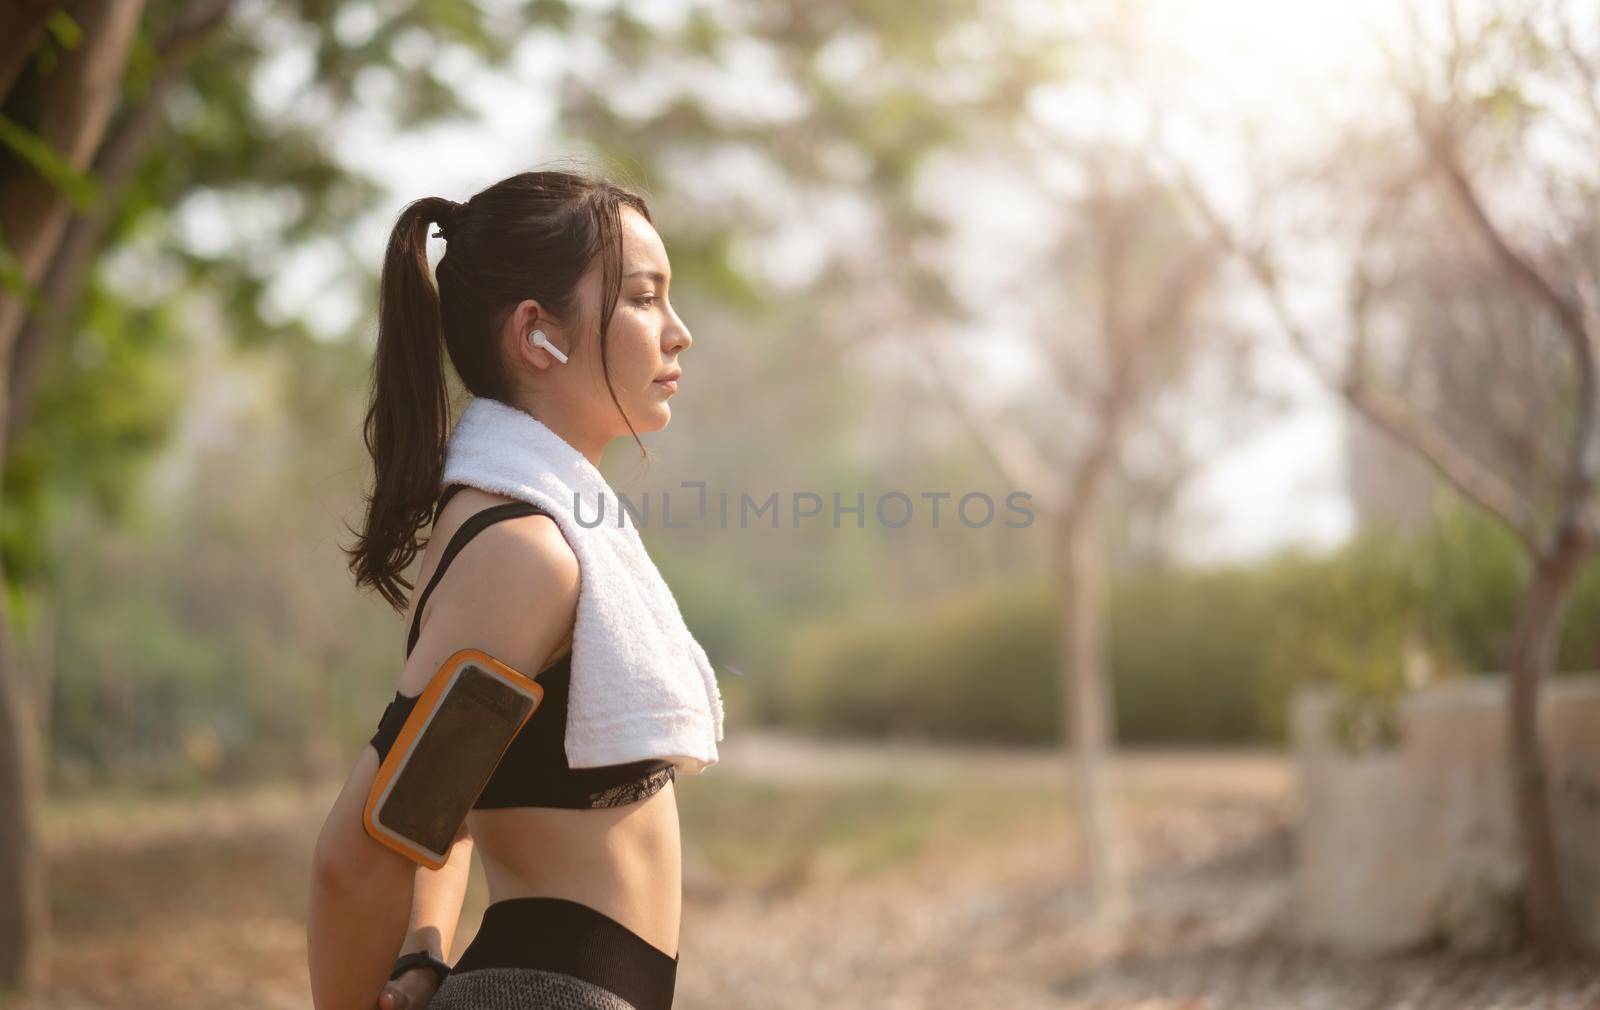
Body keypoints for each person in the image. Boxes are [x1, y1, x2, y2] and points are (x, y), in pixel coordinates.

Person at [308, 167, 698, 1010]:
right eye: (642, 298)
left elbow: (441, 789)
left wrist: (422, 948)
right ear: (537, 335)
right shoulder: (526, 555)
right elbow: (357, 855)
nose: (679, 333)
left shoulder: (518, 530)